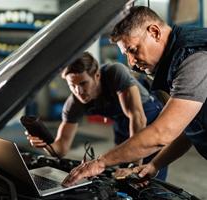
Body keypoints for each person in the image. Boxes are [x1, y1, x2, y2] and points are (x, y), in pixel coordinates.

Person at [62, 6, 207, 187]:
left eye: (133, 50)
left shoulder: (193, 60)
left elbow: (163, 133)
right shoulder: (176, 61)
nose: (131, 63)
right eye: (127, 54)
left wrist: (100, 162)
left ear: (154, 32)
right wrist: (154, 165)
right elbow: (188, 130)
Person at [26, 51, 167, 180]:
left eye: (83, 83)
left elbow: (138, 117)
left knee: (148, 180)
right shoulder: (74, 103)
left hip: (149, 120)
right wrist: (44, 142)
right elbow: (61, 149)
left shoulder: (115, 73)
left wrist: (133, 167)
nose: (78, 91)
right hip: (123, 126)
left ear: (97, 76)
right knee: (122, 180)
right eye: (72, 85)